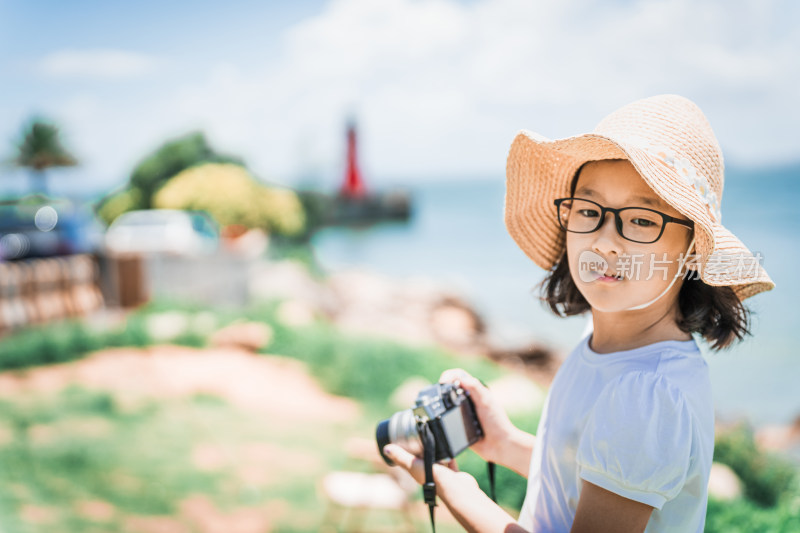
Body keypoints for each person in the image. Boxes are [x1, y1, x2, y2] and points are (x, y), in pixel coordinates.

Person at [382, 94, 775, 532]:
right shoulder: (610, 348)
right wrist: (505, 443)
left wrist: (461, 494)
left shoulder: (647, 395)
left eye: (642, 219)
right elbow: (588, 478)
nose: (605, 242)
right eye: (589, 211)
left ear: (692, 252)